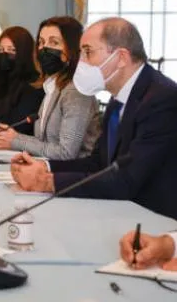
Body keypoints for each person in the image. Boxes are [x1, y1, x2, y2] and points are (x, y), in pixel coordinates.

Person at [12, 18, 177, 220]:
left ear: (121, 57)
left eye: (88, 52)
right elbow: (98, 163)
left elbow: (127, 179)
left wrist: (48, 182)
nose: (80, 62)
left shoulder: (162, 99)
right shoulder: (118, 99)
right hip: (118, 211)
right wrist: (45, 167)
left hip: (154, 220)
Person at [0, 17, 100, 159]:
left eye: (54, 42)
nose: (44, 48)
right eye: (41, 42)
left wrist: (16, 141)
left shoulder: (76, 91)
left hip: (72, 170)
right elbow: (44, 141)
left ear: (71, 49)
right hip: (45, 165)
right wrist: (15, 137)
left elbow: (66, 153)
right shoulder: (52, 87)